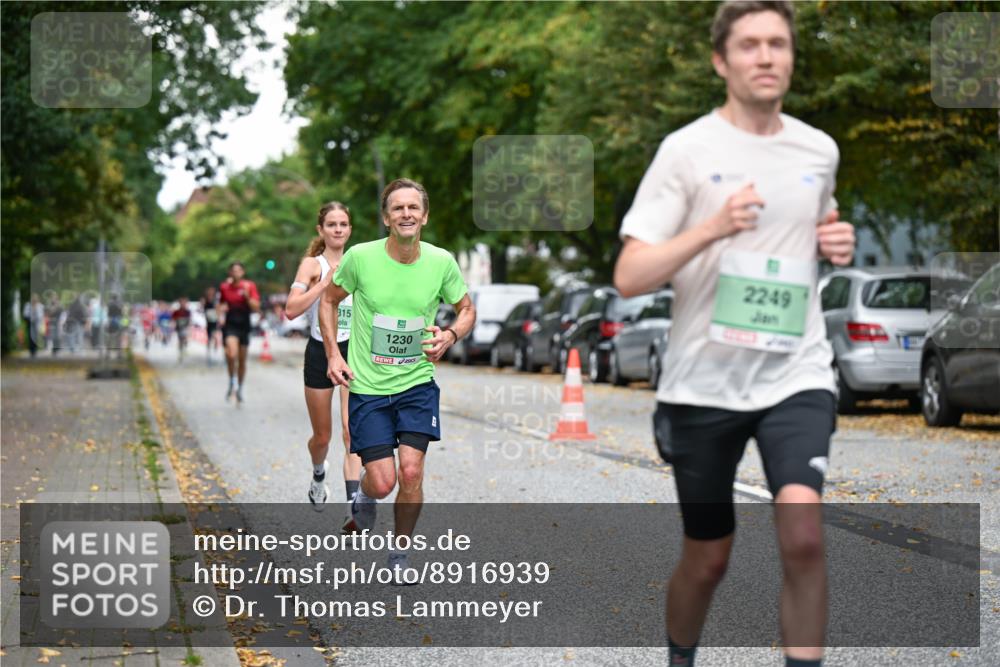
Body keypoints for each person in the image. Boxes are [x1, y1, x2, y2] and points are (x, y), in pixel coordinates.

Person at [612, 3, 856, 666]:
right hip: (703, 382)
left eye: (778, 43)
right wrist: (713, 227)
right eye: (749, 45)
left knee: (804, 536)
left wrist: (834, 238)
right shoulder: (686, 151)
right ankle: (680, 657)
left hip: (796, 370)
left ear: (792, 56)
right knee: (708, 556)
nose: (766, 56)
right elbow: (630, 274)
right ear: (721, 61)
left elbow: (819, 219)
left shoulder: (818, 149)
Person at [320, 178, 476, 579]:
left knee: (410, 471)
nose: (406, 214)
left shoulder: (441, 262)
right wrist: (333, 354)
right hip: (369, 388)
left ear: (424, 216)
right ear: (386, 218)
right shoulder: (361, 258)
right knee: (384, 481)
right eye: (398, 208)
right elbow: (329, 301)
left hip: (417, 383)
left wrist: (450, 335)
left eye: (413, 207)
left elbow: (466, 309)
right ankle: (366, 497)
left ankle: (400, 554)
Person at [285, 202, 359, 515]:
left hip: (352, 350)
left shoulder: (359, 261)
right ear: (321, 229)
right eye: (331, 224)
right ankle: (318, 473)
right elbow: (291, 310)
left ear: (350, 229)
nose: (338, 229)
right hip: (319, 350)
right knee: (322, 436)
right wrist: (323, 286)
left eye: (343, 224)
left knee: (351, 431)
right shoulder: (311, 265)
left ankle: (354, 507)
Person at [218, 262, 261, 403]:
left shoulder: (249, 286)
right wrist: (220, 314)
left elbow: (256, 307)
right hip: (230, 324)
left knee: (242, 361)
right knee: (231, 354)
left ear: (243, 272)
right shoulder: (224, 287)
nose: (236, 273)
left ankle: (239, 388)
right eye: (233, 270)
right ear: (230, 273)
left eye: (239, 270)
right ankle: (232, 380)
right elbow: (221, 304)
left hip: (244, 324)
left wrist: (247, 296)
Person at [201, 286, 220, 366]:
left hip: (214, 321)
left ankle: (215, 350)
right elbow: (203, 309)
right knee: (209, 337)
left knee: (215, 336)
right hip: (208, 321)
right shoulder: (205, 300)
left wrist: (218, 318)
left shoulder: (216, 300)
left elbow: (218, 310)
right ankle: (209, 352)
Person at [23, 293, 44, 357]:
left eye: (35, 299)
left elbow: (41, 315)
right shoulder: (28, 305)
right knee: (30, 336)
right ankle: (31, 350)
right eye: (33, 299)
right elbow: (25, 314)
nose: (34, 300)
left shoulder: (40, 306)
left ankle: (35, 350)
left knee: (36, 336)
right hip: (30, 323)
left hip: (37, 323)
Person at [172, 297, 192, 362]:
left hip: (185, 327)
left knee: (185, 338)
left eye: (184, 303)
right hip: (179, 328)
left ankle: (184, 348)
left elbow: (189, 320)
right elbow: (173, 319)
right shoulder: (176, 312)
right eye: (182, 303)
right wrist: (174, 325)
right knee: (180, 340)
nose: (183, 304)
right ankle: (181, 352)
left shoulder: (187, 311)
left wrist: (189, 327)